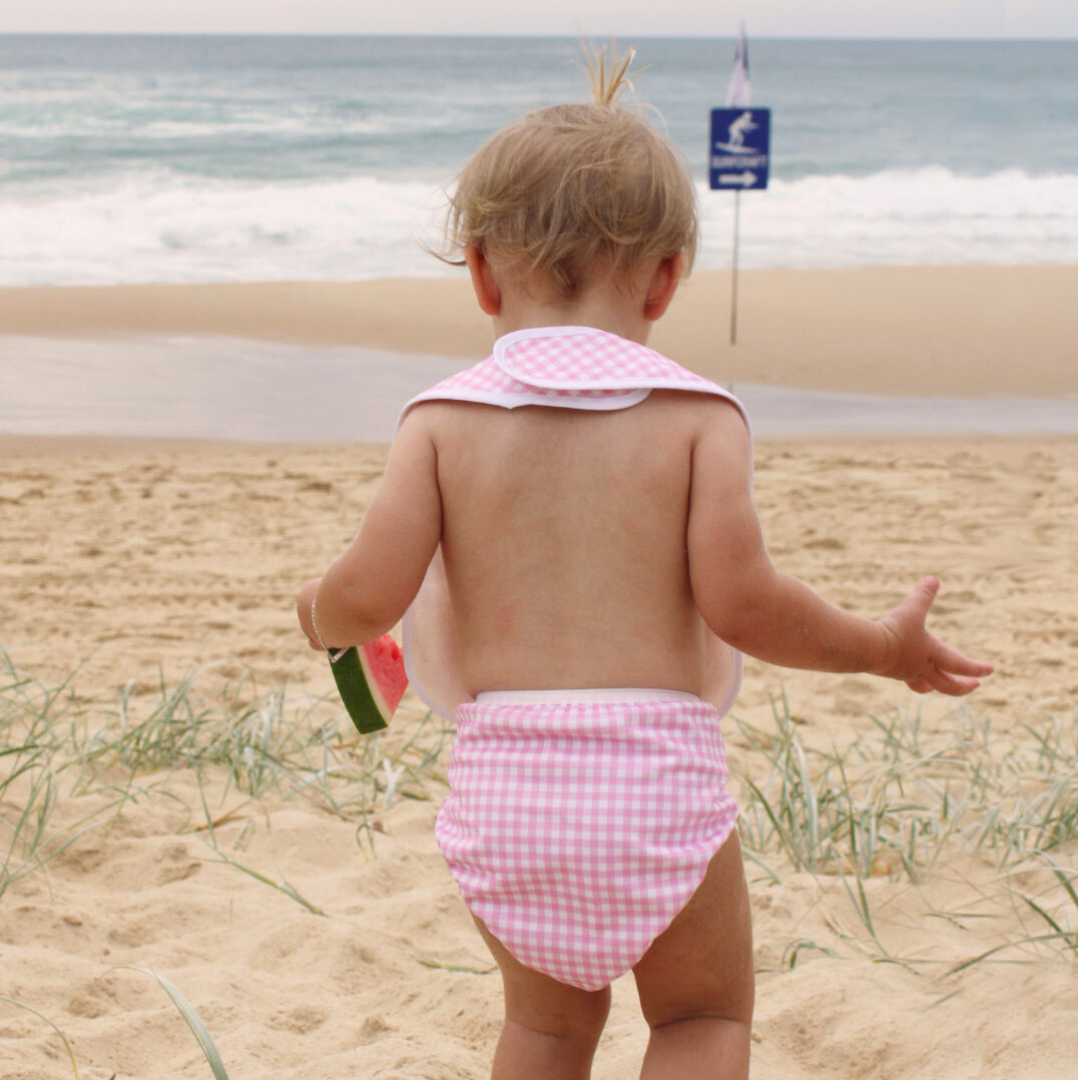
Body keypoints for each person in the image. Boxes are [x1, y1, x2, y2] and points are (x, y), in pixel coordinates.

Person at [296, 44, 992, 1080]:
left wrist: (320, 614)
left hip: (509, 792)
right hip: (653, 781)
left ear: (482, 274)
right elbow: (749, 606)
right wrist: (882, 646)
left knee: (543, 1032)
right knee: (700, 1021)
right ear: (667, 280)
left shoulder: (438, 423)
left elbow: (366, 595)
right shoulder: (698, 422)